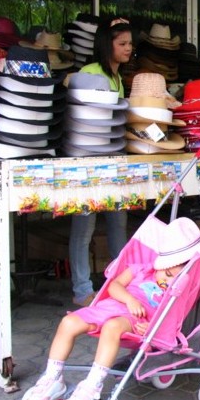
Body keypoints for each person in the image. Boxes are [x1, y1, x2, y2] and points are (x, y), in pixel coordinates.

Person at [21, 217, 200, 400]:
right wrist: (129, 299)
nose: (166, 279)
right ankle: (52, 378)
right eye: (166, 272)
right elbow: (114, 286)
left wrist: (154, 329)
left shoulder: (176, 289)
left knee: (112, 326)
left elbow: (172, 315)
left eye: (173, 277)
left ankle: (92, 385)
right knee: (68, 322)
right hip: (111, 306)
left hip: (135, 320)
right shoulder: (141, 268)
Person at [68, 18, 133, 307]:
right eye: (122, 44)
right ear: (107, 45)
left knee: (118, 221)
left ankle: (118, 283)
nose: (129, 48)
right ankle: (82, 289)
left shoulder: (117, 78)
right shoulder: (90, 73)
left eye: (130, 43)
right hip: (87, 161)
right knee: (84, 227)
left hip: (111, 157)